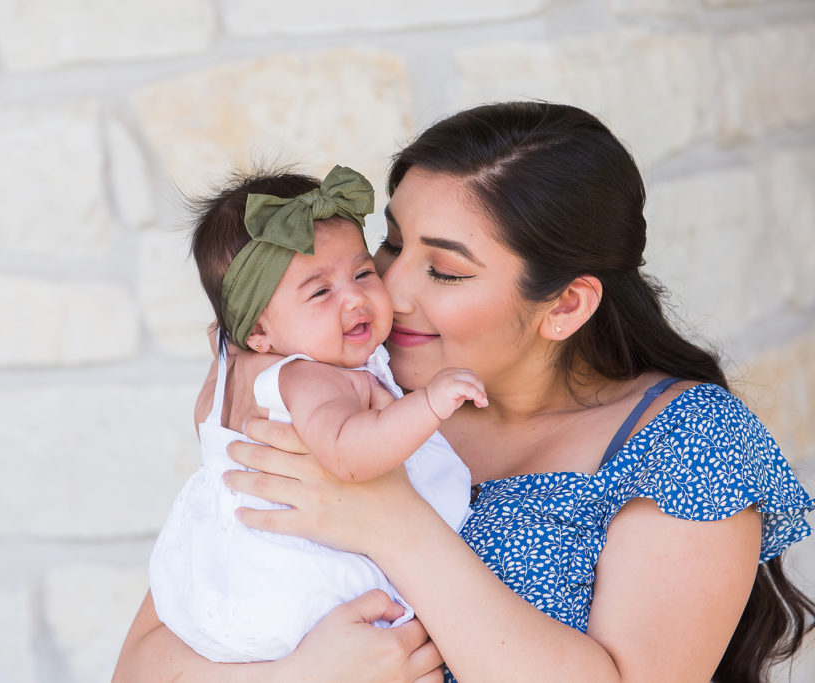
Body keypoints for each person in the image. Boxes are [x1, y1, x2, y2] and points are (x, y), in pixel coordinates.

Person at [114, 101, 815, 682]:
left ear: (566, 305)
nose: (391, 290)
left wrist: (392, 520)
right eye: (388, 247)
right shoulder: (342, 387)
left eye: (445, 272)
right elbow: (143, 662)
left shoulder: (684, 444)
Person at [149, 165, 481, 663]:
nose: (355, 297)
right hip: (303, 585)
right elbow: (350, 454)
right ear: (259, 332)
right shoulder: (305, 377)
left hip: (217, 578)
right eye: (320, 291)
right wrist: (429, 403)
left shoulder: (228, 371)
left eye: (363, 272)